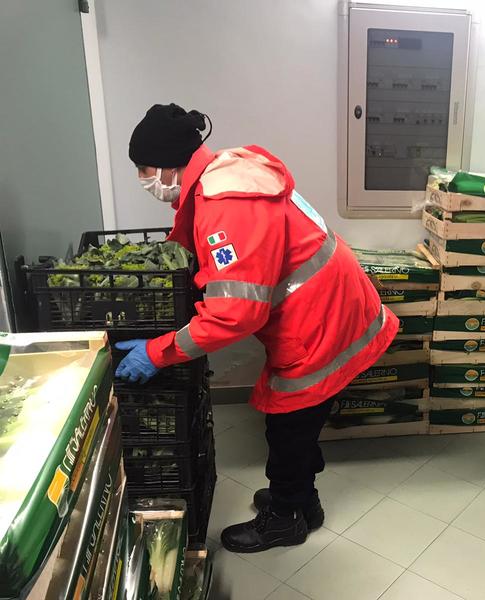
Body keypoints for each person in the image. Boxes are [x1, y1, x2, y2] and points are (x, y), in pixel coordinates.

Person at [118, 103, 399, 553]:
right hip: (330, 303)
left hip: (320, 318)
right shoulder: (226, 171)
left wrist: (158, 352)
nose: (142, 179)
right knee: (297, 421)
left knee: (289, 425)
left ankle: (285, 519)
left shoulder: (227, 204)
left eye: (143, 168)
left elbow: (236, 314)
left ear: (169, 165)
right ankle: (303, 502)